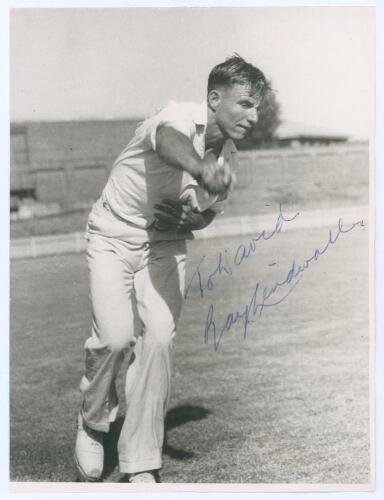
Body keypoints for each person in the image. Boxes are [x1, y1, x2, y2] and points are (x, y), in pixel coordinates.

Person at [74, 54, 268, 483]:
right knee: (115, 339)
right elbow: (167, 142)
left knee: (158, 342)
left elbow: (208, 212)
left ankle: (141, 460)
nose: (253, 116)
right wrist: (200, 168)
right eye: (246, 104)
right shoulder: (175, 117)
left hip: (163, 246)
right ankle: (92, 420)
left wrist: (193, 220)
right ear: (215, 99)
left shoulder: (228, 154)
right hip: (112, 235)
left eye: (258, 108)